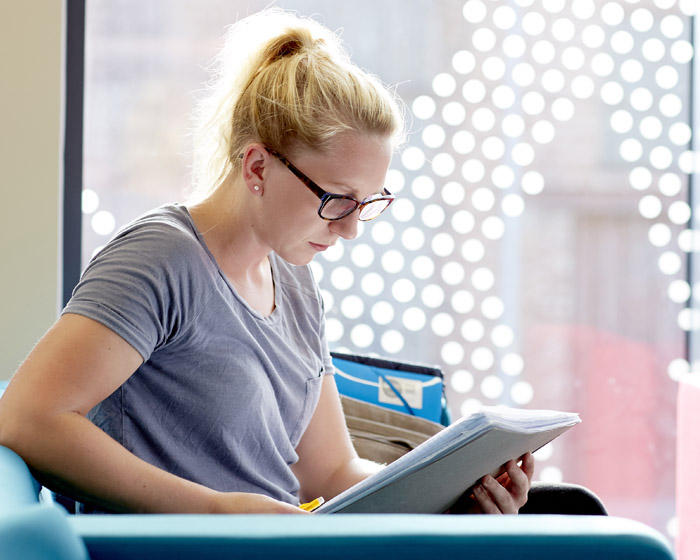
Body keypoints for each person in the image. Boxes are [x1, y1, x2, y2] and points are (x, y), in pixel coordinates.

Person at [0, 8, 540, 516]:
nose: (351, 229)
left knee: (564, 506)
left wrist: (450, 501)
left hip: (277, 541)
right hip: (188, 547)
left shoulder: (295, 279)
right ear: (257, 165)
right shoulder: (161, 259)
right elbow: (27, 420)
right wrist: (218, 512)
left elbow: (327, 470)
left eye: (368, 204)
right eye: (337, 200)